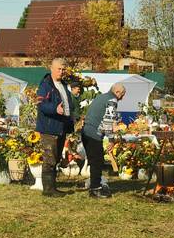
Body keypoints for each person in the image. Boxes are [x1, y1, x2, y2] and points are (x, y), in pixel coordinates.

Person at [35, 58, 75, 197]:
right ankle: (48, 189)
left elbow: (66, 104)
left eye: (63, 69)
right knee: (49, 158)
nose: (61, 72)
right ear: (51, 68)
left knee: (56, 157)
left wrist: (71, 117)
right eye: (59, 69)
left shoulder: (63, 85)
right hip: (49, 127)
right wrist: (54, 109)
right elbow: (41, 105)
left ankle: (53, 187)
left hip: (61, 126)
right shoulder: (46, 85)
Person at [82, 84, 126, 199]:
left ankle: (95, 185)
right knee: (97, 161)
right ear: (118, 92)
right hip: (94, 134)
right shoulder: (112, 100)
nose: (122, 98)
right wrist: (111, 140)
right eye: (122, 95)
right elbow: (108, 122)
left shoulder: (102, 97)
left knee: (94, 161)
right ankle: (95, 189)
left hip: (86, 131)